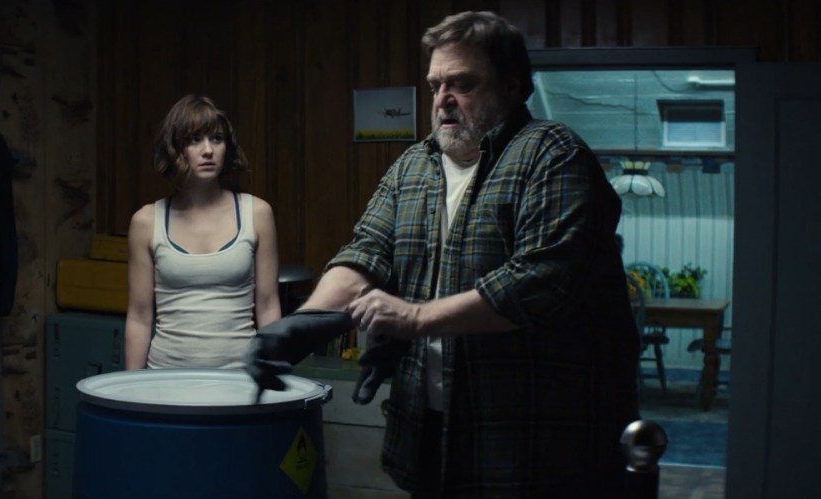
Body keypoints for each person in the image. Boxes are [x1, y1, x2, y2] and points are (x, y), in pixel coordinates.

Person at [248, 11, 639, 498]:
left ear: (512, 85)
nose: (442, 100)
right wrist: (305, 322)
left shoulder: (552, 155)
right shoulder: (414, 165)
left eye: (463, 84)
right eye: (436, 86)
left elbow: (540, 281)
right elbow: (366, 251)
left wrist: (413, 318)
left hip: (530, 437)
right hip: (430, 428)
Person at [124, 94, 281, 370]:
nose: (208, 150)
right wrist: (130, 387)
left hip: (239, 379)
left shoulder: (257, 214)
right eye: (194, 140)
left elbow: (268, 306)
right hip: (165, 379)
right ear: (175, 149)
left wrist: (272, 375)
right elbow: (139, 316)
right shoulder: (146, 222)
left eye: (216, 139)